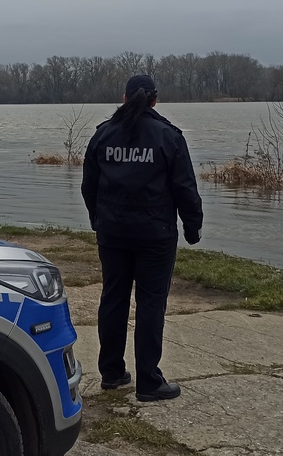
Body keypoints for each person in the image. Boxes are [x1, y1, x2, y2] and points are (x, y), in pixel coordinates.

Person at [81, 73, 203, 402]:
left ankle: (111, 373)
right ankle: (149, 381)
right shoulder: (169, 136)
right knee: (150, 303)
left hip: (113, 233)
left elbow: (89, 185)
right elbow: (185, 189)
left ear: (124, 98)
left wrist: (97, 219)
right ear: (155, 100)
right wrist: (193, 226)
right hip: (155, 235)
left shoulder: (103, 134)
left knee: (114, 298)